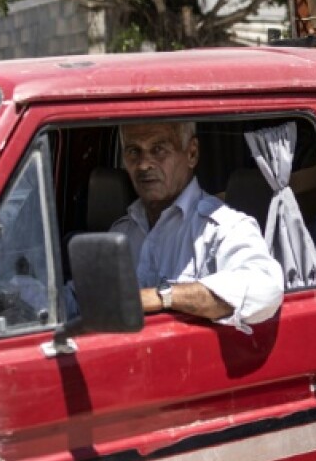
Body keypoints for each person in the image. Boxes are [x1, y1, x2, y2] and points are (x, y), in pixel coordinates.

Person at [111, 121, 283, 333]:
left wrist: (161, 296)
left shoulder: (223, 227)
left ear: (191, 154)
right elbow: (83, 297)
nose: (144, 164)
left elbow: (265, 290)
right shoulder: (122, 232)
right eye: (134, 151)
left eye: (158, 150)